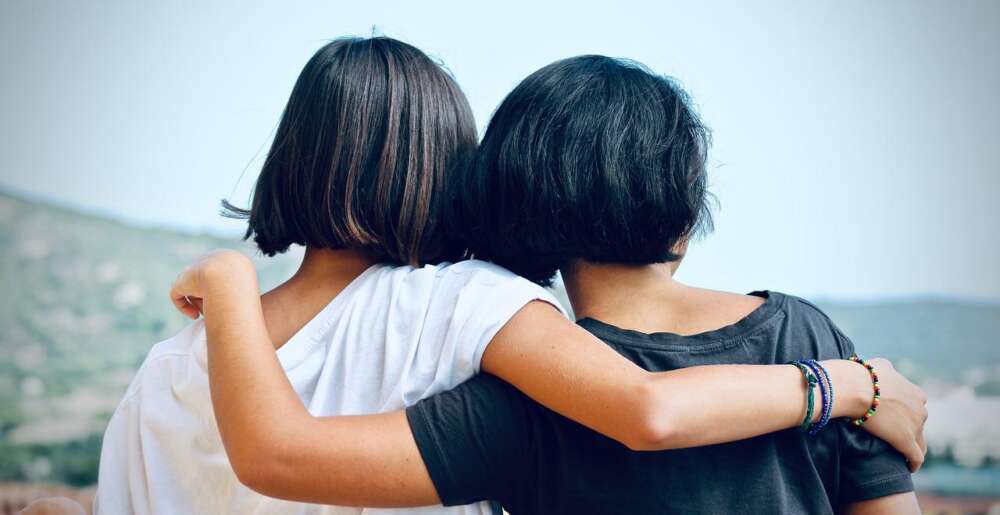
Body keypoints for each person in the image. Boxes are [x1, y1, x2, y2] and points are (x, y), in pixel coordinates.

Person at [168, 55, 927, 514]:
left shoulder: (526, 392)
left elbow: (281, 456)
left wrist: (233, 283)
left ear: (522, 203)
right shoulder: (809, 338)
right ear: (683, 214)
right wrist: (848, 381)